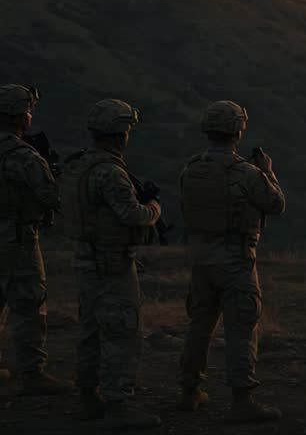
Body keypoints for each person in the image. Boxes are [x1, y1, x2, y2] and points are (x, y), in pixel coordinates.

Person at [176, 100, 286, 420]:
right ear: (239, 131)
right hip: (236, 261)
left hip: (200, 259)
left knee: (199, 326)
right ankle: (242, 401)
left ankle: (189, 390)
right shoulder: (247, 173)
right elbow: (276, 204)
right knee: (241, 328)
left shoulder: (191, 168)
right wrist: (268, 170)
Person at [59, 99, 163, 429]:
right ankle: (118, 407)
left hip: (86, 261)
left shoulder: (78, 166)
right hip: (112, 264)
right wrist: (154, 210)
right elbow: (131, 214)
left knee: (89, 332)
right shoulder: (110, 173)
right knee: (122, 333)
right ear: (121, 135)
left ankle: (88, 399)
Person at [0, 84, 75, 395]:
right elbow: (51, 198)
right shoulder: (23, 155)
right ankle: (32, 373)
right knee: (29, 303)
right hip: (16, 238)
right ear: (23, 117)